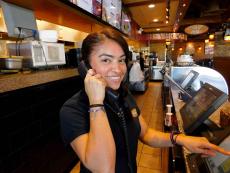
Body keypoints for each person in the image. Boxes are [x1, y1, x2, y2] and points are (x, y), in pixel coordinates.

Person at [59, 30, 230, 173]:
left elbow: (146, 133)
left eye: (121, 60)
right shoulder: (73, 110)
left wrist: (181, 139)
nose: (118, 69)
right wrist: (96, 102)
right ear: (87, 67)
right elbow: (103, 168)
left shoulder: (122, 95)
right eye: (106, 60)